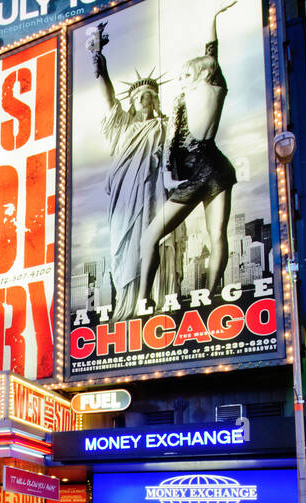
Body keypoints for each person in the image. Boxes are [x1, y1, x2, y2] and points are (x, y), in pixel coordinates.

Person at [138, 2, 241, 307]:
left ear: (198, 73)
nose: (180, 79)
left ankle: (143, 300)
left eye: (185, 74)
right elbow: (212, 52)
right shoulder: (211, 89)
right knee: (216, 234)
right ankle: (210, 296)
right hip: (217, 167)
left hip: (200, 171)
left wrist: (212, 18)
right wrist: (212, 19)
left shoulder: (203, 89)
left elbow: (211, 52)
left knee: (150, 237)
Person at [86, 20, 186, 320]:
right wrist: (98, 60)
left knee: (158, 242)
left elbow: (179, 157)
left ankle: (155, 301)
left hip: (157, 193)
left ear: (156, 101)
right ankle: (128, 306)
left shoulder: (165, 126)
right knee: (125, 249)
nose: (144, 99)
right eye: (139, 96)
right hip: (126, 198)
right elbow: (107, 97)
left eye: (150, 96)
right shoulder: (123, 127)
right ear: (132, 101)